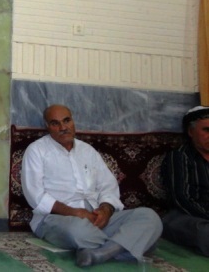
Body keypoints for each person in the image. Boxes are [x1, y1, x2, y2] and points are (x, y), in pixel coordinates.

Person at [21, 104, 162, 267]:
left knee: (149, 217)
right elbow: (35, 196)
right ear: (47, 126)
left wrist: (105, 210)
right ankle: (128, 244)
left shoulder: (87, 151)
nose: (63, 127)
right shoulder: (36, 151)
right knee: (77, 231)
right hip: (57, 219)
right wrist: (75, 212)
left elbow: (108, 186)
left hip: (95, 218)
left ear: (73, 121)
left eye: (66, 120)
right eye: (55, 123)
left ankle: (99, 253)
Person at [161, 105, 209, 255]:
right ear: (190, 131)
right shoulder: (180, 157)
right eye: (206, 130)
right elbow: (182, 198)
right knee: (205, 232)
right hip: (187, 216)